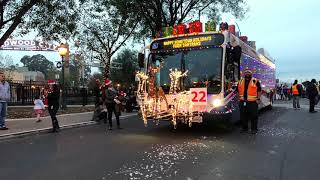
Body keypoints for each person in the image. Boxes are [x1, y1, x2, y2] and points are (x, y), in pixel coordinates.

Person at [238, 69, 262, 134]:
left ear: (251, 74)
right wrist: (238, 98)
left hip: (253, 102)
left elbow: (259, 90)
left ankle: (254, 129)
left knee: (253, 116)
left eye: (248, 72)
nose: (247, 73)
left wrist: (258, 99)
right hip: (243, 102)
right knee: (243, 116)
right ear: (244, 74)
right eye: (246, 72)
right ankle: (244, 128)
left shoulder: (255, 81)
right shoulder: (240, 81)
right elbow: (237, 90)